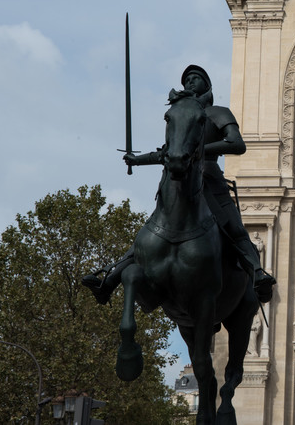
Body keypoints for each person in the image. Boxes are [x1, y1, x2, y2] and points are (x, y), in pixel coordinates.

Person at [82, 65, 276, 303]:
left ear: (207, 85)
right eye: (187, 80)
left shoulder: (218, 112)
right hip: (179, 182)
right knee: (152, 230)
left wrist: (198, 150)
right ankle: (108, 282)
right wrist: (137, 160)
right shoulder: (180, 115)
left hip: (210, 179)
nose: (190, 82)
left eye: (196, 78)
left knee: (235, 228)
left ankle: (258, 274)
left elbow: (237, 144)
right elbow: (167, 152)